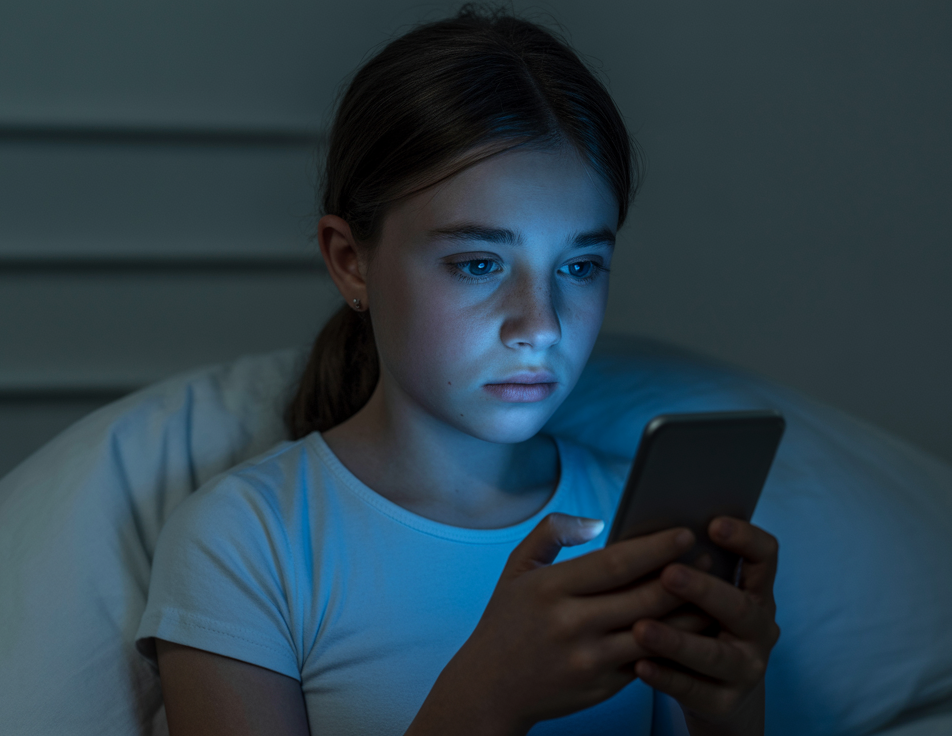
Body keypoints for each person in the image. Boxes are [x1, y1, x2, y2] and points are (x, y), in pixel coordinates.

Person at [134, 7, 780, 735]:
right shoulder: (248, 541)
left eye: (580, 265)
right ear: (351, 262)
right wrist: (488, 699)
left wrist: (729, 710)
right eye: (478, 263)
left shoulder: (642, 527)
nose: (540, 324)